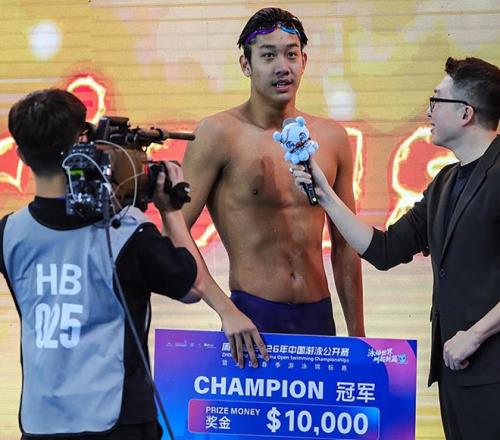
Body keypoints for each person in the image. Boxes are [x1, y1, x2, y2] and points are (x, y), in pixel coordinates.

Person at [0, 88, 267, 440]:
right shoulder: (126, 231)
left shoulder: (9, 232)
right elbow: (191, 286)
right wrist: (171, 212)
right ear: (83, 143)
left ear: (20, 154)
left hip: (40, 421)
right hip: (117, 420)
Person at [291, 56, 500, 439]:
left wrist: (475, 335)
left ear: (466, 113)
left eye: (436, 100)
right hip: (457, 372)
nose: (428, 112)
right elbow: (385, 250)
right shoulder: (446, 182)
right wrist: (325, 194)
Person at [182, 7, 364, 337]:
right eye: (268, 55)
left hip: (318, 316)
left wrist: (358, 336)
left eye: (291, 55)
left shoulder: (332, 137)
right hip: (252, 318)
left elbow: (345, 244)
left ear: (304, 61)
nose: (282, 67)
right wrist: (226, 310)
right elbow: (175, 229)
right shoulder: (218, 134)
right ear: (246, 65)